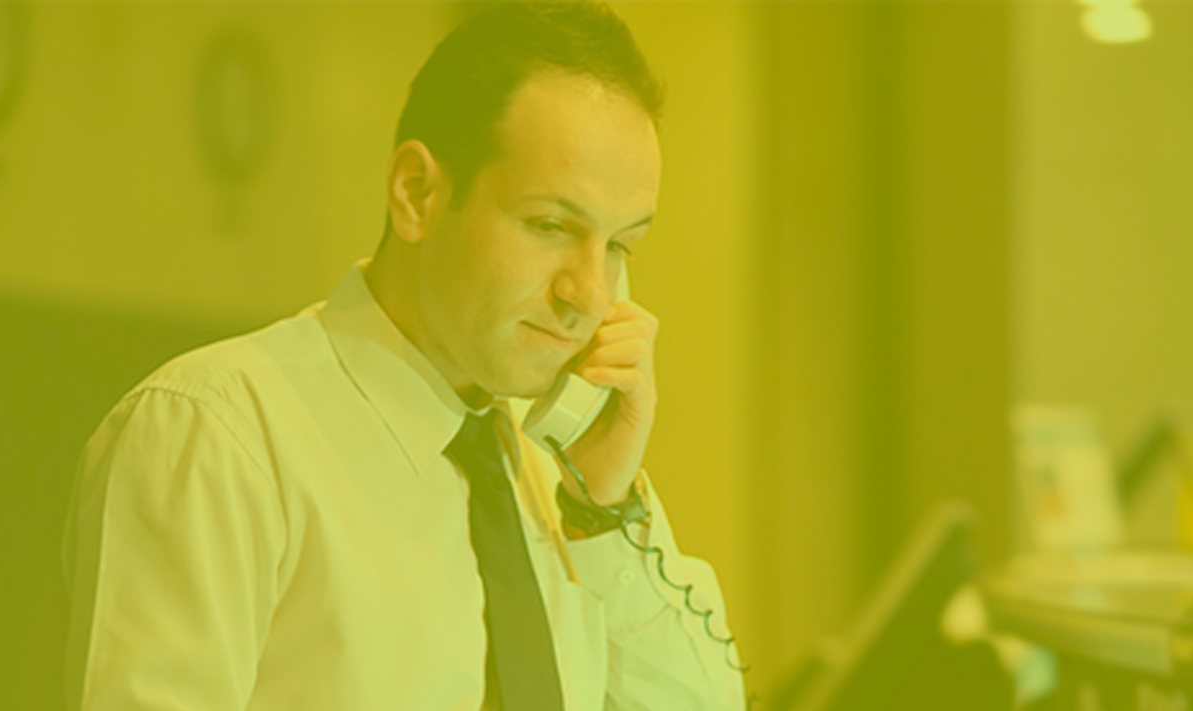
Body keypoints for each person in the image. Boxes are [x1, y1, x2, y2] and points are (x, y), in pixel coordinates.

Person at [59, 3, 745, 709]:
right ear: (416, 193)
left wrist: (603, 513)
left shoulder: (554, 473)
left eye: (621, 244)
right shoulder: (220, 438)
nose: (590, 294)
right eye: (550, 224)